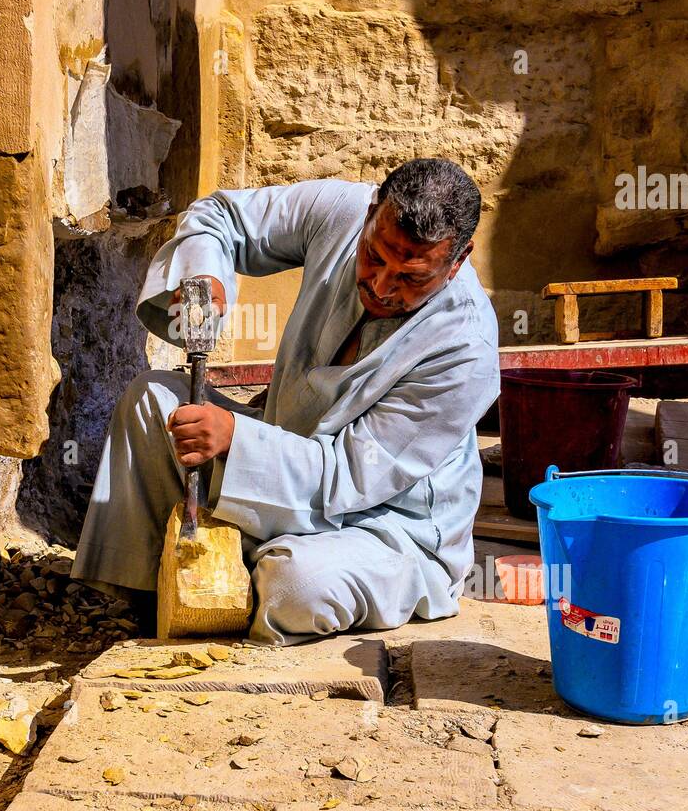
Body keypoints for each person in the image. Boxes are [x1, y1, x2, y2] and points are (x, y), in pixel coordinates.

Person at [72, 158, 500, 645]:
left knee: (297, 585)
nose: (381, 287)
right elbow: (221, 216)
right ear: (371, 213)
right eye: (375, 258)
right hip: (282, 454)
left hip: (385, 524)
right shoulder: (341, 209)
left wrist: (237, 438)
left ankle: (239, 583)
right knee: (151, 402)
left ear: (458, 260)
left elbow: (351, 476)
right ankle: (161, 603)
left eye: (411, 278)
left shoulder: (465, 348)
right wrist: (206, 276)